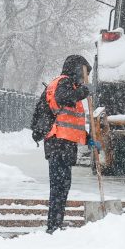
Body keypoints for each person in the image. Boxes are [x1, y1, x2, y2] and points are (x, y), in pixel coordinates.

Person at [36, 54, 93, 234]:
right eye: (83, 74)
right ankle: (53, 226)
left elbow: (69, 119)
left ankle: (56, 223)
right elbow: (63, 98)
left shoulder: (67, 84)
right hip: (58, 142)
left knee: (62, 186)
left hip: (63, 143)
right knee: (59, 186)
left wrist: (87, 137)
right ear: (76, 70)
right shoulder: (64, 83)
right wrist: (85, 91)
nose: (84, 80)